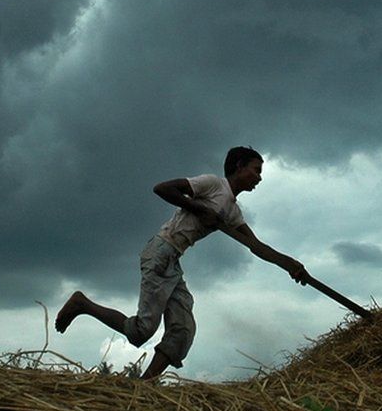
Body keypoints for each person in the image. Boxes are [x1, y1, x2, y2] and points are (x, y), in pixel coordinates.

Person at [54, 146, 309, 380]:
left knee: (182, 330)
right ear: (239, 166)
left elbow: (257, 247)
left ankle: (145, 386)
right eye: (256, 170)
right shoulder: (212, 184)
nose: (259, 178)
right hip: (161, 251)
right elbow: (162, 188)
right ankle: (82, 303)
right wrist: (199, 209)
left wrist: (290, 264)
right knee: (141, 331)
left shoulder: (233, 212)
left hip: (172, 261)